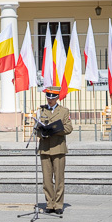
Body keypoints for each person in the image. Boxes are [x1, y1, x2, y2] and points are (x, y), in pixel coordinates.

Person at [36, 86, 73, 215]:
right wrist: (42, 133)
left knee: (59, 178)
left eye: (52, 97)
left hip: (58, 148)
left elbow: (69, 128)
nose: (50, 100)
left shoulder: (63, 111)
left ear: (57, 97)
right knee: (47, 179)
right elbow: (36, 130)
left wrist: (55, 130)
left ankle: (58, 204)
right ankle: (49, 203)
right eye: (48, 97)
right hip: (45, 148)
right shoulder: (41, 111)